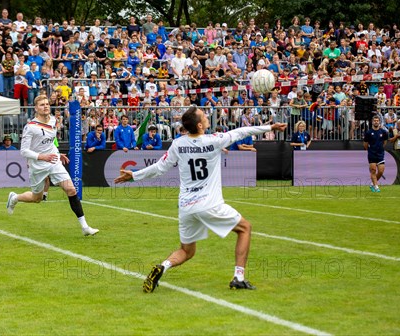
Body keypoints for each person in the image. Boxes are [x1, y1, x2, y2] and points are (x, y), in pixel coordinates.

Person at [115, 106, 286, 292]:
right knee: (245, 228)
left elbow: (159, 168)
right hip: (209, 204)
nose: (206, 117)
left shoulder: (178, 144)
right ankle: (239, 277)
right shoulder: (214, 141)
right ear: (199, 125)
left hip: (186, 206)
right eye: (204, 116)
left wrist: (134, 175)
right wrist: (270, 128)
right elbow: (241, 132)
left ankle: (162, 266)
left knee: (187, 251)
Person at [6, 95, 99, 236]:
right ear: (36, 108)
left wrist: (57, 153)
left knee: (71, 190)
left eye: (47, 104)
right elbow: (23, 151)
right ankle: (15, 198)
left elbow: (50, 142)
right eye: (42, 104)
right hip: (37, 165)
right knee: (36, 198)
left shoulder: (54, 120)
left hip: (53, 161)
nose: (46, 106)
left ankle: (85, 227)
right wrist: (41, 156)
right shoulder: (30, 127)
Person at [363, 116, 388, 192]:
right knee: (373, 170)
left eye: (377, 121)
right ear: (372, 122)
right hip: (372, 154)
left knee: (381, 171)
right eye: (375, 121)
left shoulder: (383, 132)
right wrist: (370, 150)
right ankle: (376, 186)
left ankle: (372, 184)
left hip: (380, 154)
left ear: (379, 122)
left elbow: (385, 142)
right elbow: (365, 144)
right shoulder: (368, 133)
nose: (376, 122)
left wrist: (380, 148)